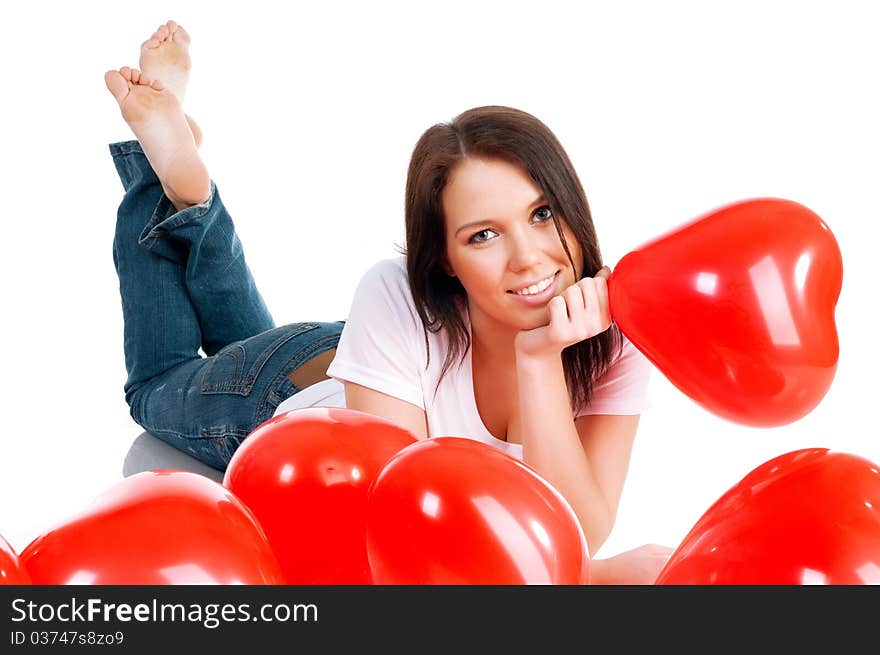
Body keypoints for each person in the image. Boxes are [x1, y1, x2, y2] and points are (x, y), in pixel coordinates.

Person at [105, 20, 673, 584]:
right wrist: (594, 580)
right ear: (445, 258)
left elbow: (578, 530)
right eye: (483, 234)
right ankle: (157, 167)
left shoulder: (617, 329)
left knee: (235, 342)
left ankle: (189, 187)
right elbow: (404, 529)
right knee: (155, 384)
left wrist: (541, 358)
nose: (529, 259)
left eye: (542, 214)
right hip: (291, 395)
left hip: (376, 365)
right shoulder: (394, 289)